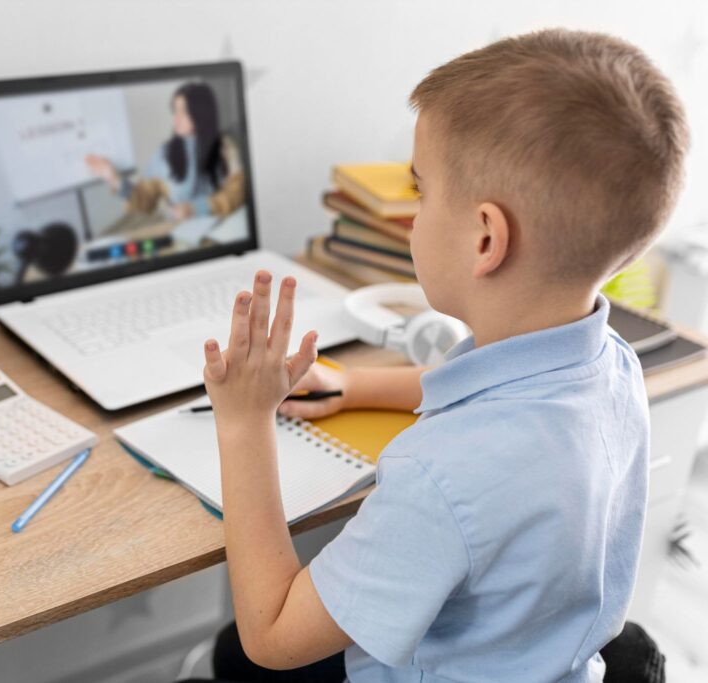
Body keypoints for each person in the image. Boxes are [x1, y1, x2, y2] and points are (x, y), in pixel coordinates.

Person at [185, 28, 687, 682]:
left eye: (420, 192)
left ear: (485, 238)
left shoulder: (441, 477)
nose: (413, 215)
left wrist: (244, 420)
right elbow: (498, 394)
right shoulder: (614, 367)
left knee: (232, 653)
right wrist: (358, 385)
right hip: (552, 658)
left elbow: (273, 634)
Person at [85, 81, 244, 221]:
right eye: (175, 111)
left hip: (224, 225)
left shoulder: (225, 146)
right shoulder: (165, 153)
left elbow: (237, 192)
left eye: (184, 112)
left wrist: (198, 208)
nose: (176, 119)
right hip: (183, 231)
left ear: (202, 113)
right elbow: (145, 200)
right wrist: (113, 178)